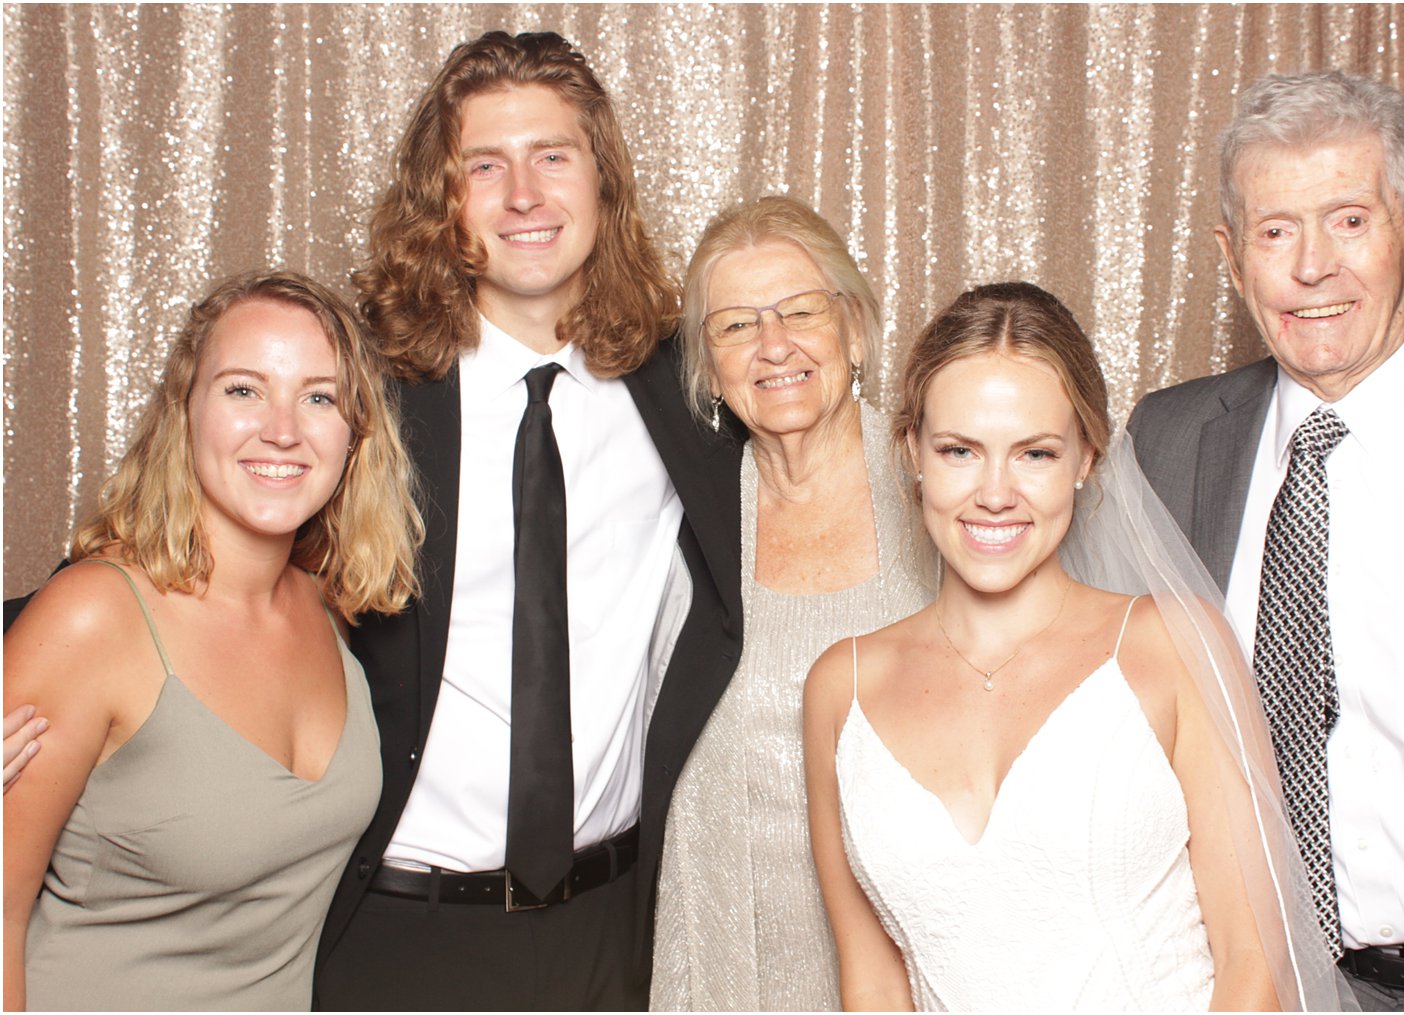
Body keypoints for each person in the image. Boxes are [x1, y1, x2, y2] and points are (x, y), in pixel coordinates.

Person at [312, 31, 741, 1011]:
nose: (524, 195)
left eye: (553, 156)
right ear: (441, 201)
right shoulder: (359, 385)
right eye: (484, 166)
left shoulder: (689, 388)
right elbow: (183, 539)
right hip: (390, 927)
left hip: (613, 926)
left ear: (602, 180)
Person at [805, 281, 1343, 1011]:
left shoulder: (1175, 644)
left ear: (1086, 457)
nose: (995, 492)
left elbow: (1255, 963)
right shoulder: (844, 686)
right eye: (960, 449)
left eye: (1035, 453)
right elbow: (871, 985)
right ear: (912, 451)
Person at [1128, 70, 1404, 1011]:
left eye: (1348, 219)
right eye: (1274, 231)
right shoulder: (1168, 442)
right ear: (1232, 255)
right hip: (1257, 984)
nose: (1311, 268)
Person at [2, 270, 422, 1011]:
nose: (283, 429)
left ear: (355, 436)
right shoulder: (93, 616)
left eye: (318, 396)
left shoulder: (331, 606)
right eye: (243, 389)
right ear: (184, 409)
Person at [651, 196, 933, 1010]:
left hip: (907, 965)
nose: (774, 346)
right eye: (736, 326)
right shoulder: (680, 513)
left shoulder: (940, 487)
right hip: (718, 950)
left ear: (854, 324)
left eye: (801, 311)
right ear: (705, 363)